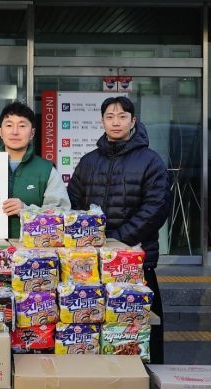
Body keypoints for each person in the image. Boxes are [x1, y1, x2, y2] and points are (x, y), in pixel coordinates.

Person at [67, 96, 171, 364]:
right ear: (102, 121)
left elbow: (156, 208)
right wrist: (90, 237)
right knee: (94, 324)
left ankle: (148, 380)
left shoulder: (151, 161)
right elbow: (73, 203)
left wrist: (117, 241)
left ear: (133, 121)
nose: (116, 122)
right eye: (110, 117)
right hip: (92, 262)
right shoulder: (89, 161)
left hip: (134, 259)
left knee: (142, 324)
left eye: (122, 116)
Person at [0, 101, 71, 238]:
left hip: (32, 247)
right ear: (0, 132)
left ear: (32, 133)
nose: (15, 131)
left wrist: (26, 210)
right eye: (9, 125)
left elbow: (62, 213)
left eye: (22, 126)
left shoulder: (46, 170)